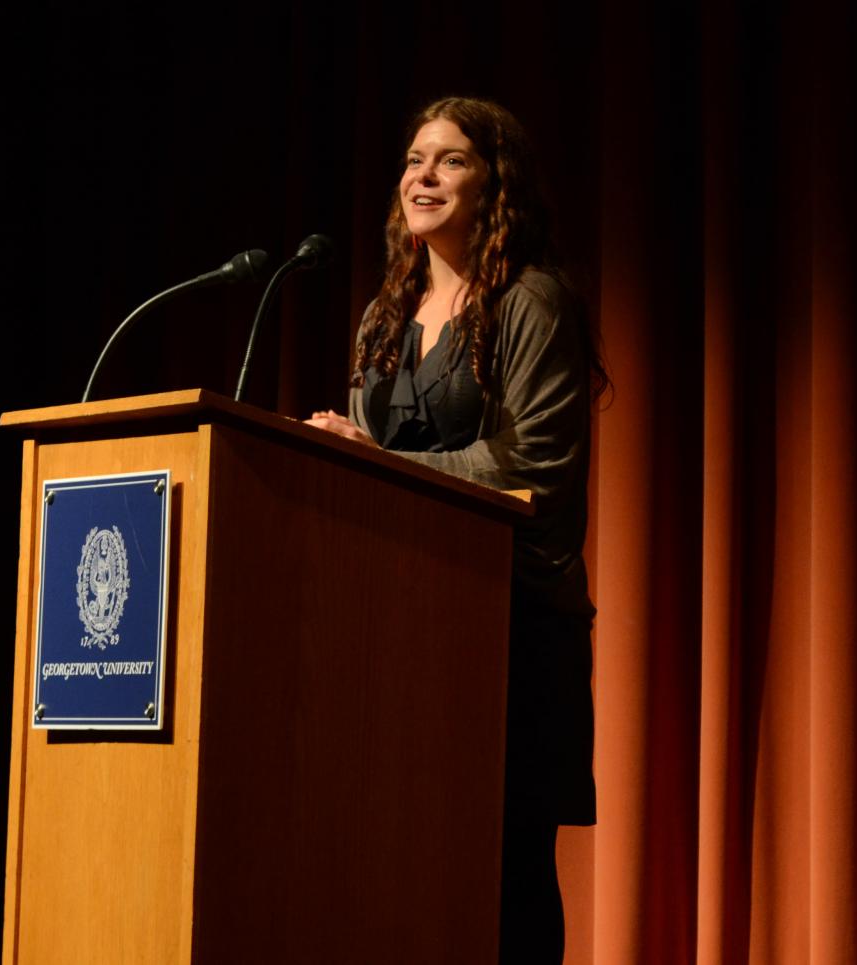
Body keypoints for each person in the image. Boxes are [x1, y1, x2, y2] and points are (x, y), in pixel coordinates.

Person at [306, 96, 605, 964]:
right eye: (412, 160)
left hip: (511, 626)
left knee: (507, 870)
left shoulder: (532, 303)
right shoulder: (384, 316)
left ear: (495, 184)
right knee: (394, 863)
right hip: (395, 626)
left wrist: (375, 461)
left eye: (450, 160)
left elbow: (533, 473)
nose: (422, 176)